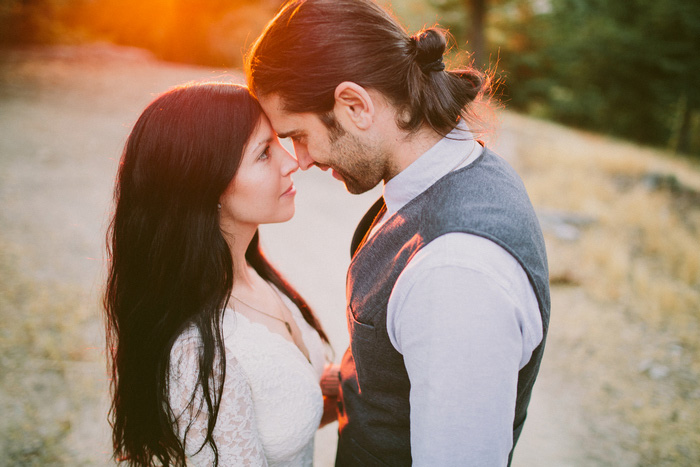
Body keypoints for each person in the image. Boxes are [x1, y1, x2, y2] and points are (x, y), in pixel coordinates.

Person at [246, 1, 550, 465]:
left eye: (298, 134)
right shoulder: (438, 177)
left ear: (355, 105)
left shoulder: (456, 275)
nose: (300, 159)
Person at [103, 82, 338, 466]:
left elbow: (285, 418)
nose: (292, 161)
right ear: (205, 183)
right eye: (264, 153)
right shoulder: (198, 354)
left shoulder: (249, 272)